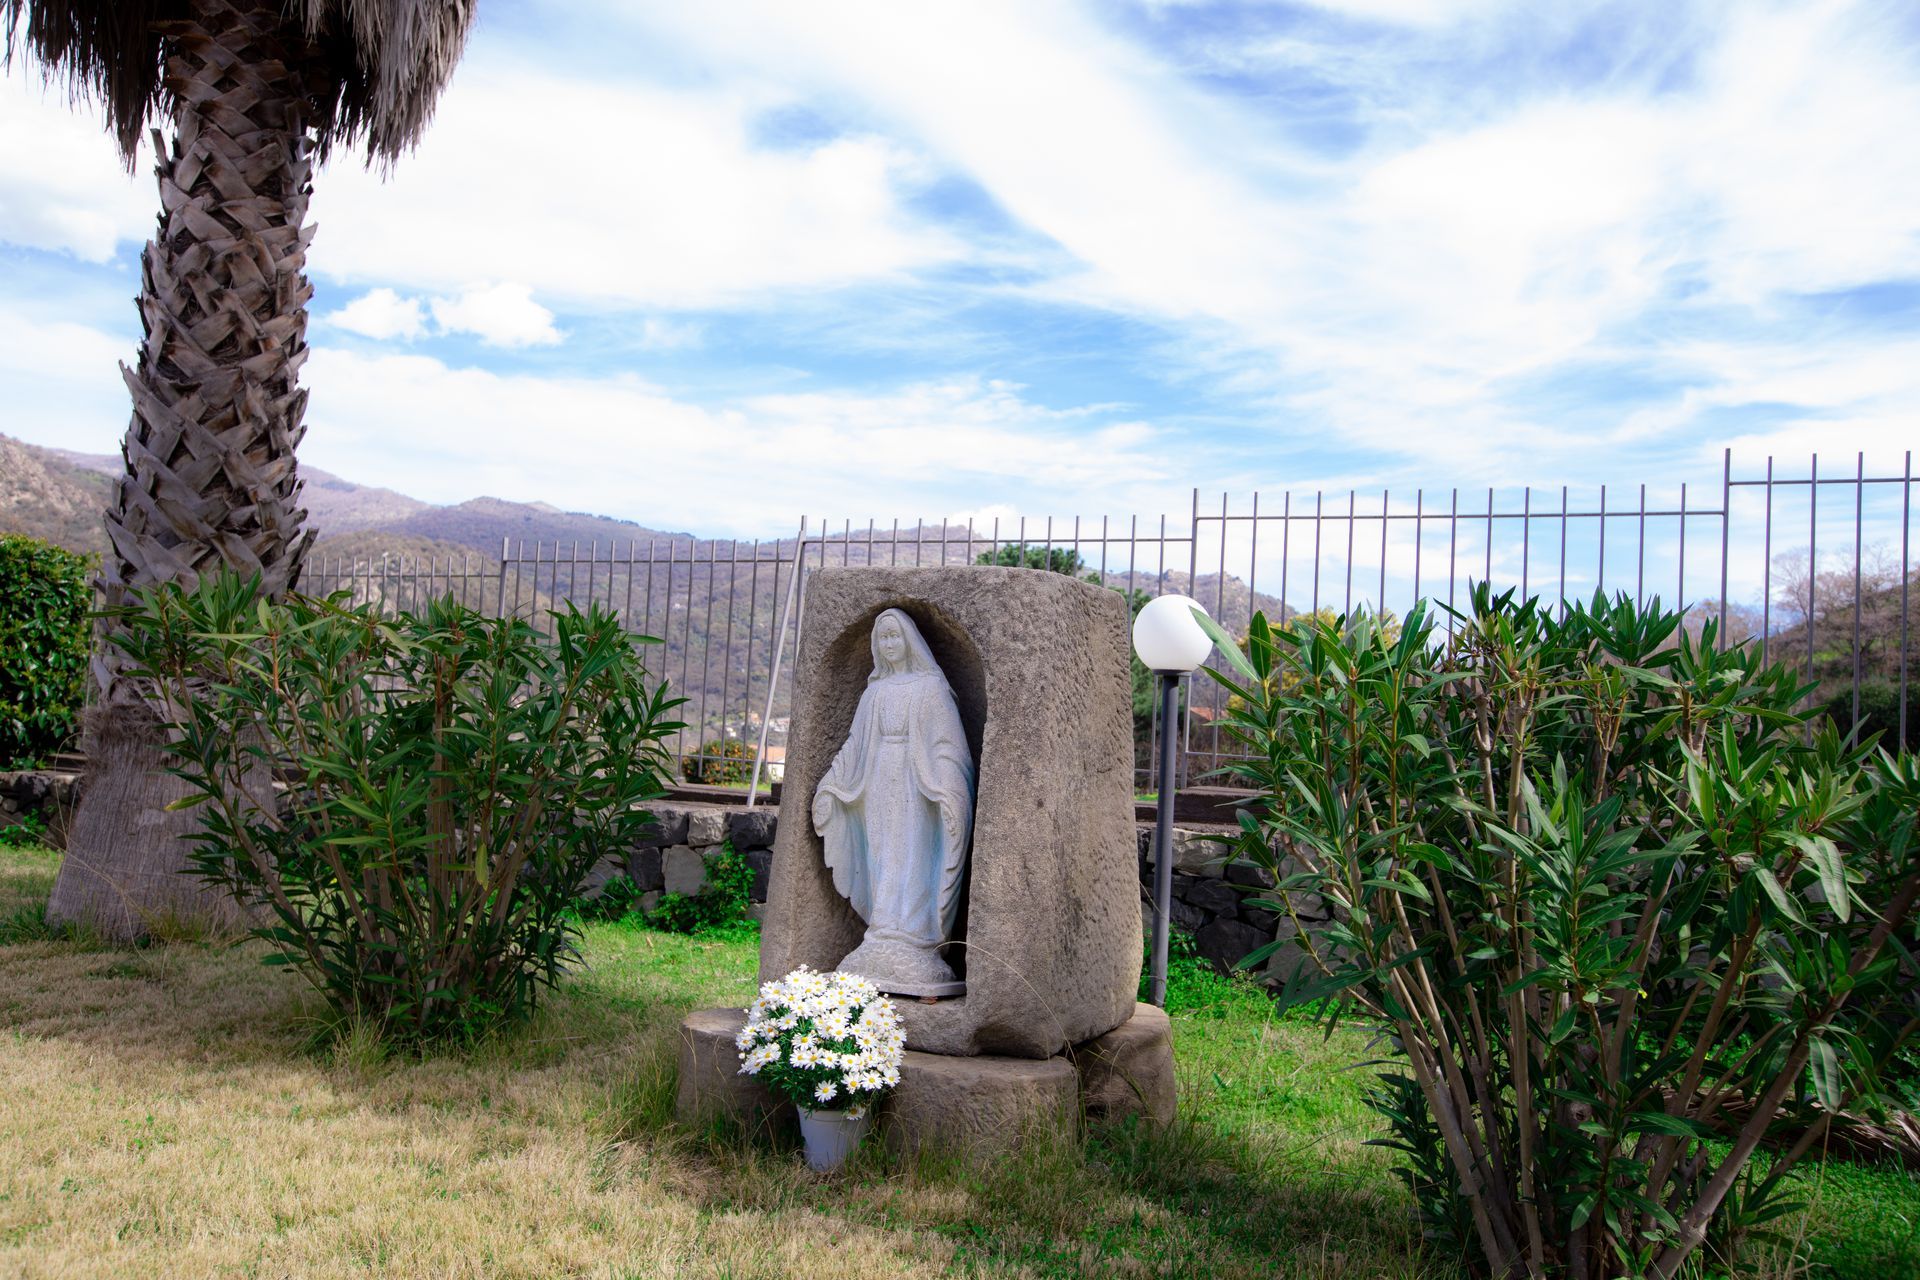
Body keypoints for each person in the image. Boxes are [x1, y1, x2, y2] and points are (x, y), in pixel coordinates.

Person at [812, 608, 976, 996]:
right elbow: (854, 746)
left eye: (894, 636)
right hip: (877, 782)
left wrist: (950, 787)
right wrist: (832, 783)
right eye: (882, 638)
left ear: (909, 641)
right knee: (882, 853)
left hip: (918, 785)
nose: (888, 644)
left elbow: (949, 748)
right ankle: (883, 928)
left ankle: (916, 936)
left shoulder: (931, 689)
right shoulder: (875, 692)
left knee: (915, 852)